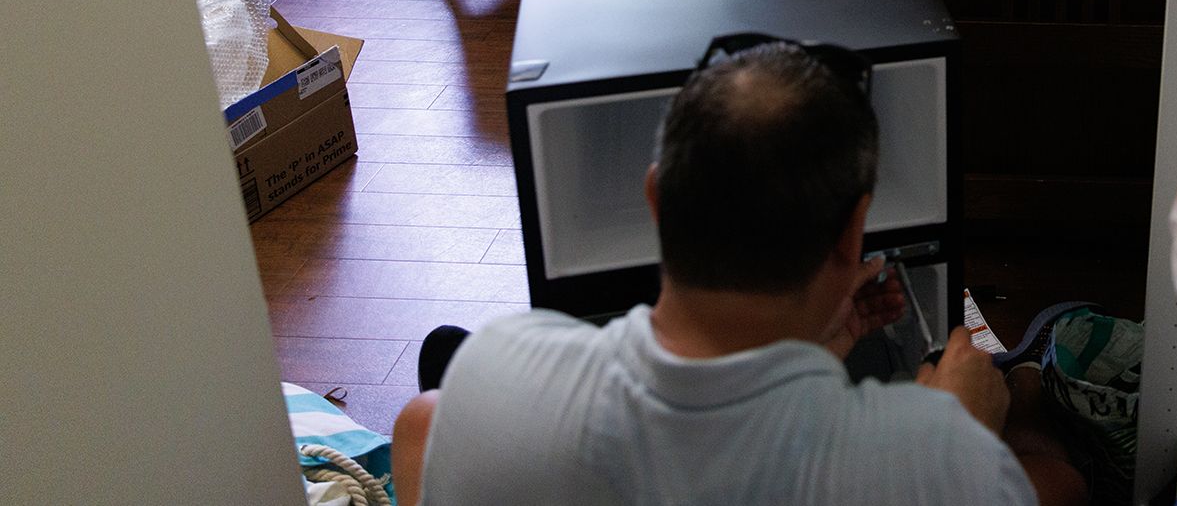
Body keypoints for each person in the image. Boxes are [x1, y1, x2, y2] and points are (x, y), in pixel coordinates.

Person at [392, 41, 1087, 505]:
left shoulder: (493, 367)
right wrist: (961, 423)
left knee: (428, 412)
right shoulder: (938, 458)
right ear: (854, 234)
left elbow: (418, 433)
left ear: (656, 200)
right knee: (1048, 453)